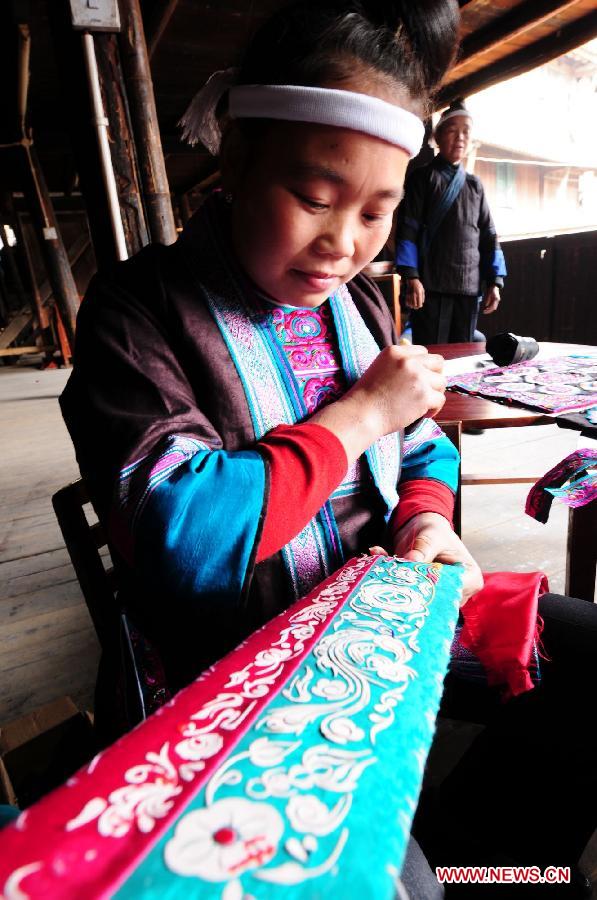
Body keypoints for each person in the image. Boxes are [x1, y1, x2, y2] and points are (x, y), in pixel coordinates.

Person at [60, 2, 596, 895]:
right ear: (234, 163)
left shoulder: (356, 305)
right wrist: (358, 415)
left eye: (376, 213)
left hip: (384, 619)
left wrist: (426, 524)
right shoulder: (136, 312)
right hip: (242, 672)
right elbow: (183, 536)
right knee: (380, 880)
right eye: (312, 197)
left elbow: (422, 445)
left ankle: (493, 874)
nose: (342, 245)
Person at [395, 98, 507, 346]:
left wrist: (495, 281)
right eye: (452, 130)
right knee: (431, 351)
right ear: (437, 136)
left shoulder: (474, 185)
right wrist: (411, 276)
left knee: (463, 353)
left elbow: (489, 236)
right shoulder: (422, 179)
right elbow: (407, 231)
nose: (460, 138)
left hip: (468, 286)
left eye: (466, 132)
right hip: (430, 285)